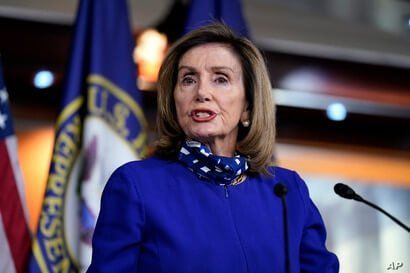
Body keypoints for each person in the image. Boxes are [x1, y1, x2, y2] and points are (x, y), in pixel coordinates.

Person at [87, 23, 339, 273]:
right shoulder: (137, 184)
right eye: (188, 79)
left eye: (220, 79)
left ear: (248, 107)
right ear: (173, 99)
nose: (202, 92)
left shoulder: (287, 191)